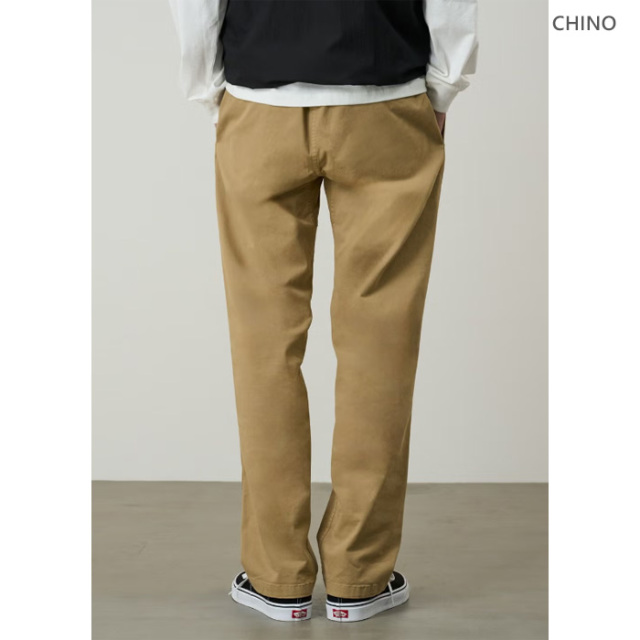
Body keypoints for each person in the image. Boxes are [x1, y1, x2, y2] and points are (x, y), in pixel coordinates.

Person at [168, 0, 478, 624]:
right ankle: (359, 578)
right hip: (386, 102)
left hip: (259, 105)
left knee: (263, 345)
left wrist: (211, 91)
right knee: (381, 341)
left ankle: (277, 578)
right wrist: (443, 86)